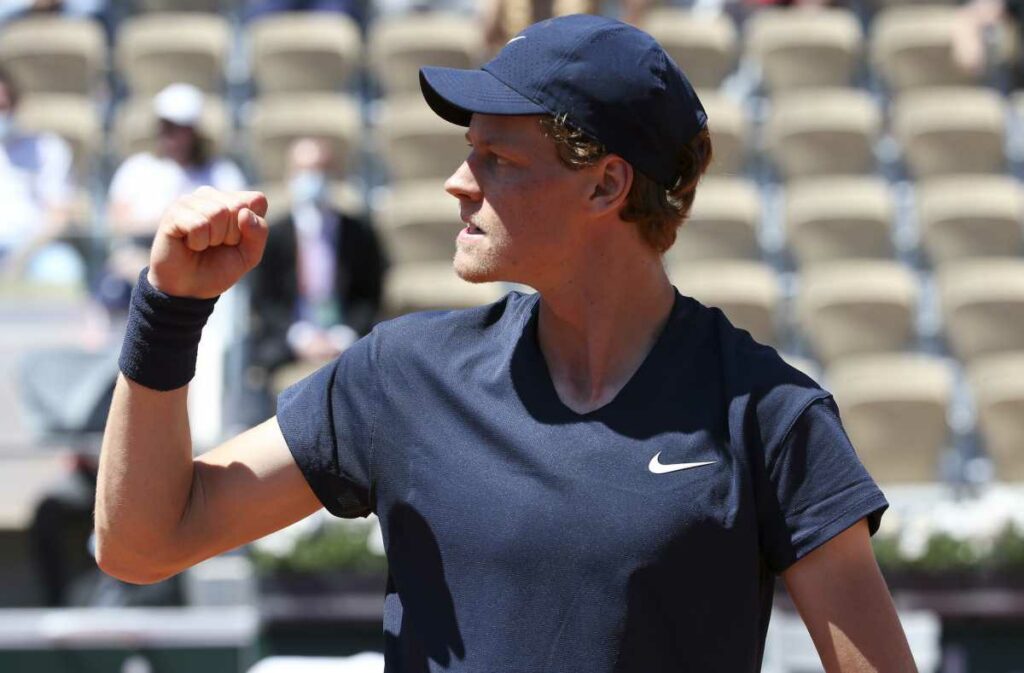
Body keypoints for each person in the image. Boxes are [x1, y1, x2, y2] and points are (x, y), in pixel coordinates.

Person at [96, 15, 918, 672]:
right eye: (468, 152)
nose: (458, 182)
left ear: (605, 183)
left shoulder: (771, 414)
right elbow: (142, 543)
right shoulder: (402, 373)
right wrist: (170, 309)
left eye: (496, 158)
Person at [247, 137, 386, 407]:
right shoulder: (273, 235)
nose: (313, 178)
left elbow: (370, 294)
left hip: (347, 337)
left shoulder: (359, 232)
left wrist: (343, 336)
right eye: (303, 170)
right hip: (288, 339)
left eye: (320, 169)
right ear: (290, 176)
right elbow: (264, 300)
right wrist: (301, 337)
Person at [100, 82, 246, 311]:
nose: (168, 133)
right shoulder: (136, 168)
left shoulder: (222, 173)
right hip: (139, 259)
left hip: (202, 264)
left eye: (177, 127)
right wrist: (165, 227)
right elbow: (116, 222)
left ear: (193, 131)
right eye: (164, 125)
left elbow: (235, 226)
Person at [0, 66, 84, 286]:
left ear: (15, 105)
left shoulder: (48, 148)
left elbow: (59, 214)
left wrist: (21, 256)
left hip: (34, 250)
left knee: (63, 269)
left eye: (2, 106)